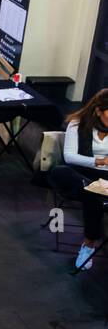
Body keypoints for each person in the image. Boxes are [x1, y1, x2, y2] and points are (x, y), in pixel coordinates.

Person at [48, 89, 108, 271]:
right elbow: (70, 157)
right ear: (98, 110)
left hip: (105, 179)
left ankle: (89, 244)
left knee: (94, 196)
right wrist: (99, 161)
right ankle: (88, 245)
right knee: (61, 172)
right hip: (79, 175)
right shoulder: (77, 125)